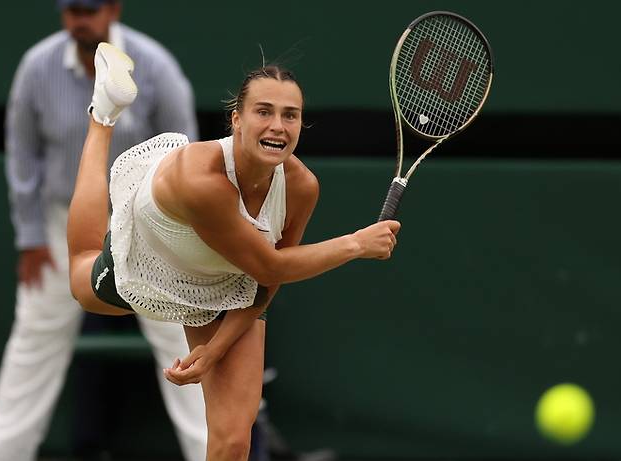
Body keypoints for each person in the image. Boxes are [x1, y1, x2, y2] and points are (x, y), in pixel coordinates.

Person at [67, 42, 401, 461]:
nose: (278, 126)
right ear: (236, 120)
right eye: (264, 112)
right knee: (82, 274)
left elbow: (268, 277)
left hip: (230, 282)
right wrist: (355, 244)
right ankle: (102, 116)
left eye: (290, 115)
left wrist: (216, 349)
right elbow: (269, 262)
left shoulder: (301, 187)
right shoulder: (201, 181)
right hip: (157, 256)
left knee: (233, 440)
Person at [0, 2, 208, 461]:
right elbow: (22, 157)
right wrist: (31, 237)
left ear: (112, 9)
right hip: (61, 221)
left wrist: (181, 235)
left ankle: (211, 453)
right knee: (34, 339)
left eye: (90, 7)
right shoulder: (37, 67)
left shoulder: (156, 64)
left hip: (149, 224)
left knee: (182, 343)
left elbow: (187, 154)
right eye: (71, 9)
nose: (80, 18)